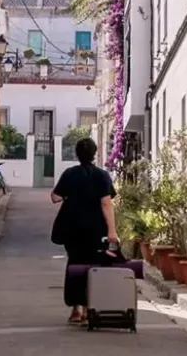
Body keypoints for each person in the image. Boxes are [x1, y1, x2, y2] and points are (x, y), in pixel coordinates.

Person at [50, 136, 119, 324]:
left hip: (72, 228)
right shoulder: (102, 175)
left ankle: (76, 309)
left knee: (75, 264)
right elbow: (106, 202)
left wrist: (69, 197)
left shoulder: (70, 174)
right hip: (96, 229)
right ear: (94, 153)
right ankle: (90, 309)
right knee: (94, 266)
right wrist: (112, 231)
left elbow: (55, 197)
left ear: (77, 154)